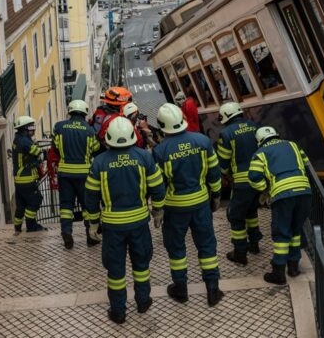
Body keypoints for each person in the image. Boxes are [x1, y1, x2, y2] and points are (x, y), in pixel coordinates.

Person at [85, 117, 166, 324]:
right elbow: (158, 187)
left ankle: (119, 312)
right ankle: (143, 301)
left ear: (108, 139)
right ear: (132, 136)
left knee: (115, 270)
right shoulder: (144, 158)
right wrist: (158, 210)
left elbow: (91, 198)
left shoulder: (99, 163)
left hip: (112, 227)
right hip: (139, 223)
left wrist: (93, 223)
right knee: (141, 263)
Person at [152, 103, 224, 306]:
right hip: (201, 204)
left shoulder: (160, 151)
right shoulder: (202, 141)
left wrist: (158, 209)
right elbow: (214, 172)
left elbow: (159, 185)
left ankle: (181, 289)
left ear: (162, 125)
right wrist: (216, 195)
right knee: (207, 245)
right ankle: (212, 289)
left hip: (175, 209)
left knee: (176, 249)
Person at [248, 126, 312, 284]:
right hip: (304, 191)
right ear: (276, 135)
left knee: (281, 232)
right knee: (295, 230)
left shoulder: (259, 153)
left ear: (259, 141)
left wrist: (266, 189)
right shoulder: (293, 145)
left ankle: (278, 271)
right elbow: (306, 164)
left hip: (283, 194)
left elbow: (253, 178)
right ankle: (293, 267)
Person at [215, 102, 262, 265]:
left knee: (235, 216)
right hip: (259, 179)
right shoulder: (254, 126)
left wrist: (223, 175)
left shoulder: (226, 133)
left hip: (241, 182)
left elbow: (223, 161)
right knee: (251, 211)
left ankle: (240, 252)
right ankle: (255, 244)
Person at [53, 99, 101, 249]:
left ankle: (66, 232)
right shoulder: (89, 130)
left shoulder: (59, 127)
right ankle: (90, 237)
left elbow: (55, 147)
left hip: (65, 173)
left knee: (66, 206)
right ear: (85, 113)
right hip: (83, 174)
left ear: (70, 111)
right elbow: (95, 148)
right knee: (86, 206)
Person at [12, 116, 47, 233]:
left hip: (19, 180)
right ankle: (31, 226)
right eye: (31, 127)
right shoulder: (25, 141)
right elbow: (37, 152)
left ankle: (17, 227)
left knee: (21, 205)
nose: (33, 129)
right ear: (24, 129)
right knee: (35, 200)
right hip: (27, 180)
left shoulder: (17, 139)